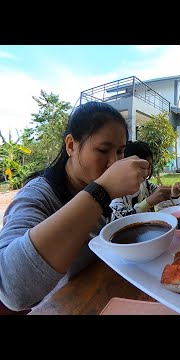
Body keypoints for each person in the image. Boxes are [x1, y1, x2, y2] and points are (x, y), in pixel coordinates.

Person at [0, 101, 152, 312]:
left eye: (119, 152)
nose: (113, 162)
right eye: (103, 150)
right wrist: (101, 191)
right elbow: (12, 290)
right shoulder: (38, 195)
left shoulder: (96, 186)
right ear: (71, 145)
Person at [109, 140, 180, 221]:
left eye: (149, 166)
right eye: (142, 167)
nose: (147, 171)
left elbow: (162, 195)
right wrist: (147, 203)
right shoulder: (115, 193)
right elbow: (118, 220)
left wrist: (174, 192)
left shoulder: (146, 185)